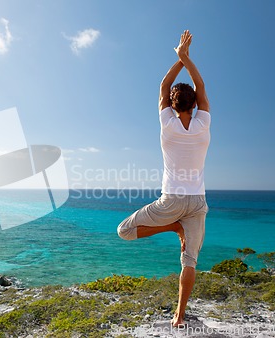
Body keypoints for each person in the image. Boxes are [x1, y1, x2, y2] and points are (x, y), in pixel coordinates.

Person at [117, 30, 210, 328]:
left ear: (172, 105)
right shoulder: (203, 124)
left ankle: (172, 227)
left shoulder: (167, 123)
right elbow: (201, 86)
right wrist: (187, 59)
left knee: (124, 231)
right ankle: (179, 316)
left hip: (170, 201)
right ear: (194, 105)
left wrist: (179, 59)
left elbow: (163, 86)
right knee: (189, 261)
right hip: (196, 203)